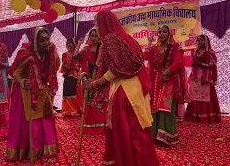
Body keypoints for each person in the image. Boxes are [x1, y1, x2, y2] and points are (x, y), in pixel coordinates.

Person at [84, 9, 159, 166]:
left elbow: (116, 69)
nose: (96, 27)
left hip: (125, 92)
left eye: (97, 23)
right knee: (138, 130)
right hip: (136, 89)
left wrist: (94, 84)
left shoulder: (111, 39)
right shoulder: (127, 38)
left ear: (104, 23)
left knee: (128, 131)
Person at [6, 27, 59, 161]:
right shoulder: (25, 53)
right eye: (42, 41)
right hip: (25, 90)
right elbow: (15, 72)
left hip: (41, 90)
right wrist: (22, 81)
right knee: (30, 120)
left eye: (47, 39)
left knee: (45, 117)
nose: (46, 43)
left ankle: (44, 148)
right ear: (35, 42)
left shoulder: (50, 51)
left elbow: (54, 68)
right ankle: (29, 150)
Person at [144, 25, 188, 145]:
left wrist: (167, 72)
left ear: (169, 34)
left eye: (164, 31)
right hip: (155, 81)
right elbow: (145, 57)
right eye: (159, 32)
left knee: (165, 106)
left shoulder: (175, 48)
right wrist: (149, 43)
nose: (161, 34)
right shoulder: (154, 49)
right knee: (154, 106)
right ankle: (155, 135)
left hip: (169, 80)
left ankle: (166, 137)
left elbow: (178, 63)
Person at [73, 29, 108, 135]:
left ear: (99, 38)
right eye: (91, 36)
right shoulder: (86, 50)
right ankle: (88, 126)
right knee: (87, 102)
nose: (93, 38)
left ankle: (99, 127)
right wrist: (79, 43)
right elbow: (75, 56)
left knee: (97, 102)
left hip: (97, 79)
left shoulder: (102, 49)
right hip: (87, 78)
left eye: (95, 36)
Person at [185, 35, 221, 123]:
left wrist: (200, 64)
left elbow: (211, 65)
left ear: (206, 42)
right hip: (195, 77)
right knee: (194, 96)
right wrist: (194, 63)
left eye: (202, 40)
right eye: (198, 40)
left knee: (205, 97)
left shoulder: (210, 53)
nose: (199, 42)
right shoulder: (194, 51)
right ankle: (195, 117)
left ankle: (206, 117)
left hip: (205, 78)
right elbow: (193, 64)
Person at [60, 39, 83, 117]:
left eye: (70, 43)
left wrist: (78, 69)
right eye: (67, 43)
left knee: (77, 92)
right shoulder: (65, 54)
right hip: (68, 75)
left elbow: (80, 65)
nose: (69, 45)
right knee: (68, 92)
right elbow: (64, 66)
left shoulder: (78, 54)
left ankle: (77, 110)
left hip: (76, 76)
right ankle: (69, 111)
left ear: (74, 44)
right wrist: (73, 67)